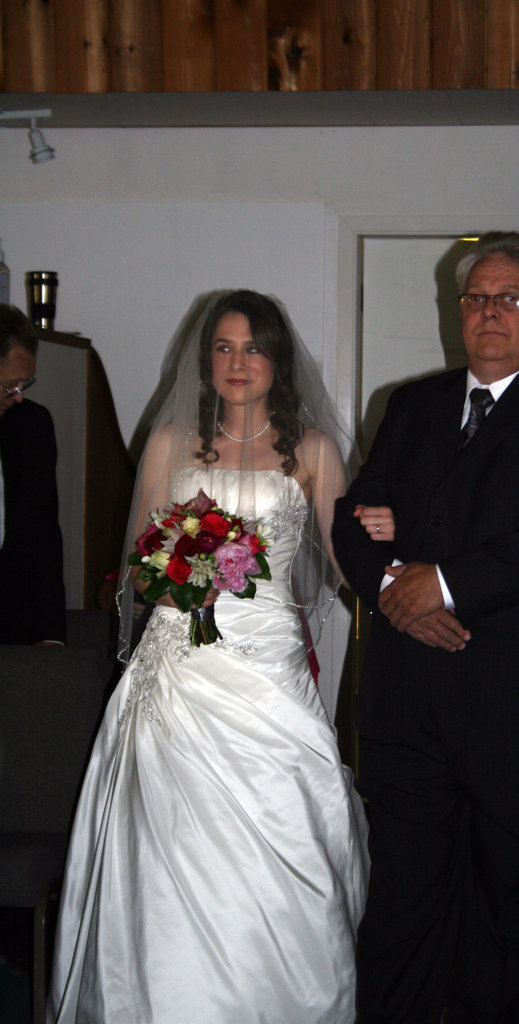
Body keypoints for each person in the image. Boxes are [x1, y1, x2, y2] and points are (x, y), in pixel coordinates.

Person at [47, 290, 368, 1024]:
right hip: (179, 672)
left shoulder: (311, 450)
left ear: (277, 361)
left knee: (280, 832)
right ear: (205, 360)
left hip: (267, 671)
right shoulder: (169, 445)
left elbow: (343, 568)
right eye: (223, 348)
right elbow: (135, 565)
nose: (237, 362)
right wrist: (171, 570)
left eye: (252, 348)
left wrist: (387, 537)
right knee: (167, 846)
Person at [332, 232, 519, 1023]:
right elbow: (354, 519)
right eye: (475, 299)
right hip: (409, 706)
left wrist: (443, 582)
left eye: (509, 299)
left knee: (505, 899)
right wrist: (397, 586)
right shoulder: (413, 404)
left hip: (517, 709)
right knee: (400, 899)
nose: (489, 312)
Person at [0, 304, 65, 645]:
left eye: (25, 384)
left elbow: (44, 535)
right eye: (10, 385)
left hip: (13, 627)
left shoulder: (31, 424)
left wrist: (51, 634)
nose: (19, 395)